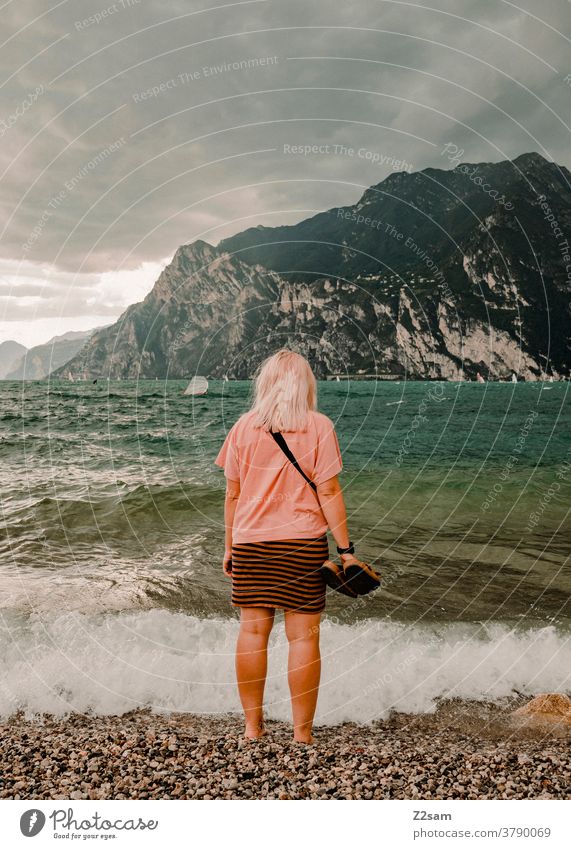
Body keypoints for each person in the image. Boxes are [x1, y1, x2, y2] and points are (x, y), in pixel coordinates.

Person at [214, 349, 359, 744]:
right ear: (306, 385)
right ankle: (302, 734)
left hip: (251, 544)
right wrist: (345, 550)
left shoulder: (243, 428)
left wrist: (229, 546)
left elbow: (232, 495)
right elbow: (328, 489)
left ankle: (252, 728)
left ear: (265, 385)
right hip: (302, 546)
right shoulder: (319, 426)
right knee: (304, 638)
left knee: (252, 634)